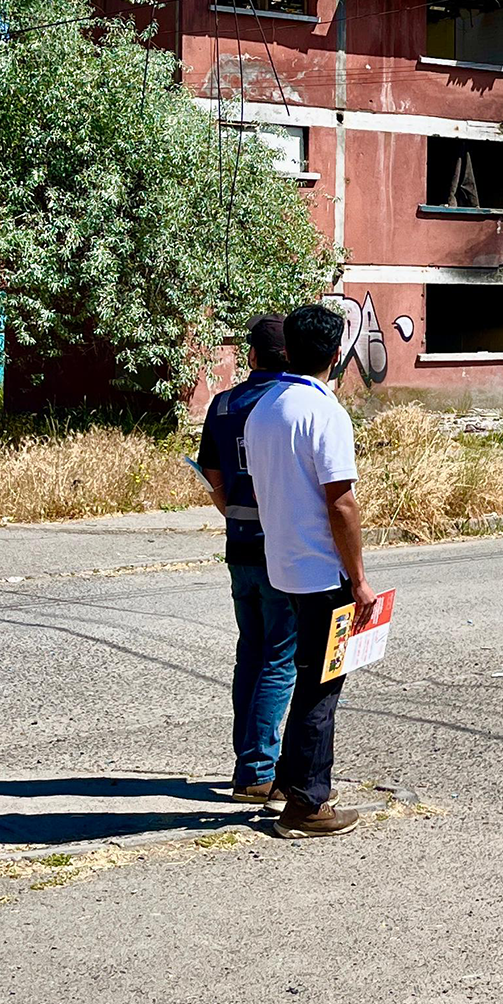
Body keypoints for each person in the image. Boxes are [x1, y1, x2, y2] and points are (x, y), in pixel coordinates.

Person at [242, 302, 380, 840]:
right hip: (324, 572)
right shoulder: (325, 413)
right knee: (323, 685)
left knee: (304, 673)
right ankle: (307, 803)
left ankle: (285, 779)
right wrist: (361, 579)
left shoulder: (264, 408)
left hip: (283, 566)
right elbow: (340, 501)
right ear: (337, 351)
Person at [196, 315, 299, 808]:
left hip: (239, 544)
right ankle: (258, 770)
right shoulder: (290, 403)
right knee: (281, 659)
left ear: (252, 356)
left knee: (252, 654)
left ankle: (248, 763)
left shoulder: (223, 404)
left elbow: (212, 476)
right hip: (282, 550)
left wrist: (237, 511)